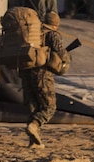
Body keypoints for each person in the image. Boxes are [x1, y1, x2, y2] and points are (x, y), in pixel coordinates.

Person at [20, 11, 70, 148]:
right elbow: (61, 53)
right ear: (56, 25)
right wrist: (66, 59)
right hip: (42, 74)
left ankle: (34, 141)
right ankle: (35, 125)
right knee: (49, 106)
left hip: (26, 73)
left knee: (34, 106)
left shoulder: (33, 32)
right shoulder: (52, 34)